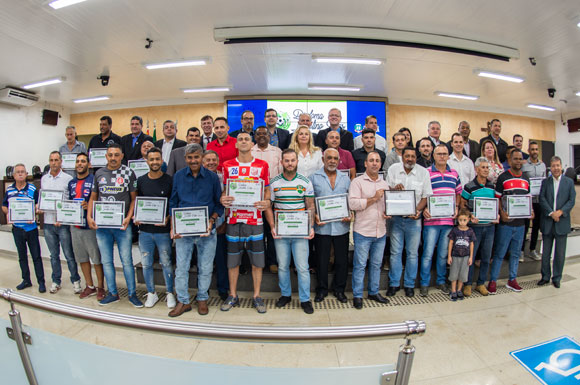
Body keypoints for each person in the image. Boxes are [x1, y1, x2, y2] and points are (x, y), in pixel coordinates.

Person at [169, 144, 223, 317]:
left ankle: (202, 298)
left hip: (207, 231)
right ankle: (183, 301)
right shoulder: (178, 176)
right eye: (190, 158)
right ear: (185, 159)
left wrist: (212, 220)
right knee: (181, 268)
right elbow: (173, 202)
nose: (193, 161)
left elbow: (219, 204)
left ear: (202, 157)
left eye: (196, 157)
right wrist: (173, 227)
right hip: (183, 233)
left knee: (205, 267)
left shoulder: (212, 178)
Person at [220, 132, 271, 313]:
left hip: (255, 220)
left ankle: (257, 296)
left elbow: (266, 191)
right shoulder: (227, 166)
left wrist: (267, 202)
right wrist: (222, 199)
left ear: (252, 143)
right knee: (233, 261)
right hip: (233, 220)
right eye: (240, 139)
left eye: (246, 139)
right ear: (236, 144)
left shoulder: (262, 165)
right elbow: (224, 191)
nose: (243, 141)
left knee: (257, 261)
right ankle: (233, 295)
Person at [87, 144, 142, 307]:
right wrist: (89, 216)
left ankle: (132, 293)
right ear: (106, 156)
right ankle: (112, 293)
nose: (113, 158)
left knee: (126, 260)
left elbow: (134, 199)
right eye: (110, 155)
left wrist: (128, 217)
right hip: (103, 226)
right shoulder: (99, 173)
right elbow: (93, 197)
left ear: (121, 156)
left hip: (122, 226)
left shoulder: (128, 173)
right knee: (107, 261)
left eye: (116, 155)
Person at [265, 149, 315, 314]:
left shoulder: (305, 182)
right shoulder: (274, 183)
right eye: (286, 161)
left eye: (293, 160)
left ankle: (305, 299)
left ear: (297, 162)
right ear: (281, 162)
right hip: (281, 232)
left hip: (301, 233)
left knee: (302, 267)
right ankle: (285, 295)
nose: (290, 163)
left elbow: (310, 206)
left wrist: (311, 227)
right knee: (283, 266)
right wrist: (272, 226)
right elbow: (268, 207)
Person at [386, 147, 432, 297]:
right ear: (402, 157)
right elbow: (386, 190)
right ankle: (394, 284)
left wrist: (417, 211)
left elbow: (425, 196)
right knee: (395, 253)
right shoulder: (393, 169)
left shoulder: (423, 173)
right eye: (407, 156)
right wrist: (394, 188)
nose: (410, 159)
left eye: (413, 156)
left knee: (412, 254)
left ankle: (409, 284)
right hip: (396, 219)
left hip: (414, 220)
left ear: (416, 158)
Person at [349, 151, 390, 309]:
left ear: (380, 164)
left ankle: (373, 292)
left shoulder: (384, 184)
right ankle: (357, 295)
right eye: (371, 160)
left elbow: (386, 205)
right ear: (365, 163)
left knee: (376, 264)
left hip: (380, 231)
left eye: (377, 161)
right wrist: (373, 198)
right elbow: (352, 204)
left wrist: (388, 213)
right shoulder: (357, 182)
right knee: (359, 265)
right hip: (363, 231)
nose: (374, 163)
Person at [135, 147, 176, 309]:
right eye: (151, 159)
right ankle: (151, 293)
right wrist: (137, 217)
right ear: (146, 161)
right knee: (146, 263)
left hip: (163, 231)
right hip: (144, 231)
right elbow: (137, 202)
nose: (154, 162)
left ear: (162, 161)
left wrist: (167, 218)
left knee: (166, 262)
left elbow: (173, 203)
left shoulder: (169, 180)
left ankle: (170, 293)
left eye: (157, 159)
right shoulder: (141, 180)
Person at [420, 144, 462, 296]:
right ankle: (424, 283)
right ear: (433, 156)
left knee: (444, 254)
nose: (442, 156)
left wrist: (456, 207)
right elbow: (421, 194)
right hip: (431, 221)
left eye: (445, 154)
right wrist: (424, 209)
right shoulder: (426, 173)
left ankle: (441, 281)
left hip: (448, 221)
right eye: (439, 154)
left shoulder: (454, 173)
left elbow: (458, 192)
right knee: (428, 253)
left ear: (448, 156)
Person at [310, 148, 351, 303]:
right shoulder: (313, 178)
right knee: (321, 260)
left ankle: (339, 290)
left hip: (341, 226)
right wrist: (314, 215)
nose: (332, 161)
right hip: (322, 226)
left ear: (339, 160)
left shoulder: (345, 178)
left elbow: (349, 200)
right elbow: (310, 201)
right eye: (329, 158)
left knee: (341, 260)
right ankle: (321, 290)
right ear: (323, 159)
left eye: (335, 158)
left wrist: (350, 213)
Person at [487, 149, 531, 294]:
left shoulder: (526, 178)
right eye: (515, 159)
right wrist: (502, 213)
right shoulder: (503, 177)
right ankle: (493, 281)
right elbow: (497, 198)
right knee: (499, 253)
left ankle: (512, 280)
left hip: (520, 224)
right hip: (506, 224)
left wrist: (531, 211)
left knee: (516, 254)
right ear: (510, 160)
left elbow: (528, 199)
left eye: (520, 159)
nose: (518, 161)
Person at [65, 153, 105, 301]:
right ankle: (90, 286)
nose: (80, 164)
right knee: (82, 258)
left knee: (96, 258)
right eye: (77, 161)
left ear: (89, 164)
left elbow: (101, 202)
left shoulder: (95, 180)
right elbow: (68, 202)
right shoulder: (71, 183)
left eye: (83, 161)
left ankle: (101, 287)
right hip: (75, 227)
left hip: (90, 226)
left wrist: (90, 206)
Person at [40, 151, 81, 294]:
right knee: (53, 255)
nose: (54, 162)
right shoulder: (44, 178)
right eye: (51, 160)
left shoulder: (68, 178)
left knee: (69, 254)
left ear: (61, 161)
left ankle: (75, 281)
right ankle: (56, 281)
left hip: (62, 224)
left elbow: (70, 202)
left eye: (56, 160)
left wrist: (62, 217)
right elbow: (43, 199)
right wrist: (40, 207)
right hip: (48, 223)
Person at [2, 164, 45, 293]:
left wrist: (36, 210)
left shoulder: (32, 188)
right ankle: (26, 280)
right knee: (22, 256)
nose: (20, 174)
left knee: (36, 256)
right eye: (18, 172)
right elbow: (4, 205)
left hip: (31, 228)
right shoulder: (9, 190)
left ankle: (41, 282)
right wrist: (8, 212)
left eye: (22, 172)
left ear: (26, 174)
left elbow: (38, 205)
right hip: (17, 229)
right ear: (14, 175)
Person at [460, 157, 498, 296]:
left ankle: (481, 283)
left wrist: (496, 216)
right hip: (474, 228)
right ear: (476, 170)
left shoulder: (491, 186)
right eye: (483, 167)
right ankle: (468, 284)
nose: (486, 170)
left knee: (486, 257)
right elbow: (462, 205)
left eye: (487, 168)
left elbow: (495, 205)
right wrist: (470, 216)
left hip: (489, 227)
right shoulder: (469, 186)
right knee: (471, 256)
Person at [538, 156, 576, 288]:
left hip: (562, 222)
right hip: (548, 222)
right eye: (553, 166)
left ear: (561, 167)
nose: (556, 168)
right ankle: (545, 277)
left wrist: (560, 212)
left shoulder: (569, 182)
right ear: (550, 167)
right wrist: (551, 213)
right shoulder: (545, 182)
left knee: (560, 254)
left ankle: (557, 278)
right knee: (546, 253)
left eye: (558, 165)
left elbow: (571, 200)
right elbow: (542, 198)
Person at [251, 126, 282, 273]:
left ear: (269, 136)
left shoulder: (277, 152)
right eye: (259, 134)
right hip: (253, 197)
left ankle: (272, 261)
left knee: (272, 229)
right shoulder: (250, 151)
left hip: (273, 196)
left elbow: (281, 174)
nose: (262, 136)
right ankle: (259, 262)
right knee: (257, 230)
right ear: (255, 136)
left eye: (265, 133)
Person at [202, 150, 229, 300]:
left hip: (219, 225)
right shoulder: (197, 178)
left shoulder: (223, 178)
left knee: (221, 259)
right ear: (202, 162)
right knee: (203, 260)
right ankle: (203, 289)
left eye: (214, 160)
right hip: (200, 226)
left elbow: (228, 201)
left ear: (218, 162)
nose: (211, 162)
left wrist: (224, 221)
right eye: (208, 160)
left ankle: (223, 289)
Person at [522, 141, 547, 261]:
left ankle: (532, 250)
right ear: (528, 151)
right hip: (527, 200)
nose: (534, 151)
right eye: (532, 149)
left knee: (536, 226)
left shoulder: (543, 165)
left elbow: (545, 181)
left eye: (536, 149)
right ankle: (521, 251)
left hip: (539, 200)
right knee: (525, 225)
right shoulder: (524, 165)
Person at [447, 208, 476, 301]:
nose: (462, 222)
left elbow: (472, 244)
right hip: (455, 256)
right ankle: (453, 290)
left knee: (462, 275)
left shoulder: (470, 231)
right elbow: (451, 243)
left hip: (466, 256)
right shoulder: (455, 230)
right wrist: (449, 256)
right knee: (454, 274)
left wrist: (471, 257)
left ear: (468, 220)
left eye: (464, 220)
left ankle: (459, 290)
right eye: (460, 220)